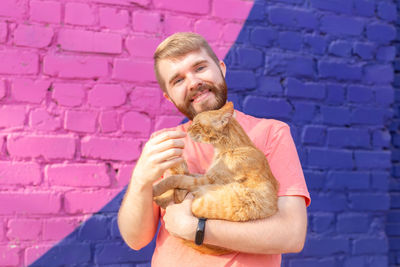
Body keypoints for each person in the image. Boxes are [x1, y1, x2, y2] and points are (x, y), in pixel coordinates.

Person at [118, 32, 310, 267]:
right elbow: (135, 240)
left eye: (199, 68)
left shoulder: (271, 133)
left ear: (221, 68)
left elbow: (292, 235)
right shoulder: (164, 144)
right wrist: (140, 180)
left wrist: (196, 229)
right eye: (178, 80)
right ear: (169, 98)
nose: (193, 82)